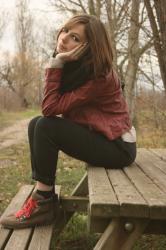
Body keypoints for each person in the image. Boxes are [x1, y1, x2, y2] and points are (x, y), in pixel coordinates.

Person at [0, 14, 136, 229]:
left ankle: (43, 203)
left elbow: (50, 108)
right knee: (36, 123)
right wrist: (60, 62)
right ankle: (44, 195)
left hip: (118, 147)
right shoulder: (77, 68)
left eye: (75, 38)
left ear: (89, 48)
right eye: (65, 30)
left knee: (45, 126)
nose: (63, 38)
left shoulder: (99, 77)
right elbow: (50, 107)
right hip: (102, 139)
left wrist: (56, 62)